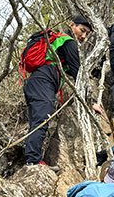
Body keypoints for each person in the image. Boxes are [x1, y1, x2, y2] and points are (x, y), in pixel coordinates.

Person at [22, 15, 93, 165]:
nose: (84, 36)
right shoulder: (68, 41)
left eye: (87, 34)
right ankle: (33, 161)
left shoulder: (59, 42)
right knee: (41, 120)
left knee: (38, 119)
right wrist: (90, 102)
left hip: (37, 83)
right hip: (43, 83)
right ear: (71, 25)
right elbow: (77, 73)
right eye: (82, 30)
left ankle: (32, 157)